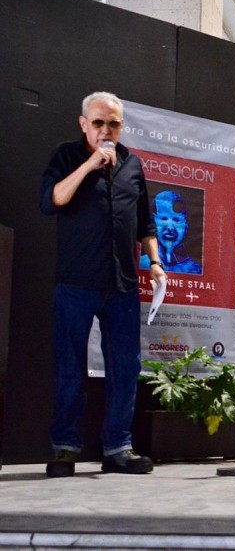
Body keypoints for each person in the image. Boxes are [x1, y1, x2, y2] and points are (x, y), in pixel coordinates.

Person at [39, 91, 165, 477]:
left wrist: (155, 262)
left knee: (125, 368)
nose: (106, 130)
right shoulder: (66, 156)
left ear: (122, 126)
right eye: (98, 123)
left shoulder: (133, 164)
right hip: (76, 282)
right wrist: (91, 164)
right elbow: (52, 199)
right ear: (84, 124)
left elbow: (145, 223)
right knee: (70, 368)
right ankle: (65, 448)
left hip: (122, 284)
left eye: (113, 123)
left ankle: (118, 448)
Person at [140, 189, 202, 274]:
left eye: (176, 220)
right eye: (164, 219)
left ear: (186, 226)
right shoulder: (141, 264)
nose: (170, 227)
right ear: (153, 223)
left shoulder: (196, 270)